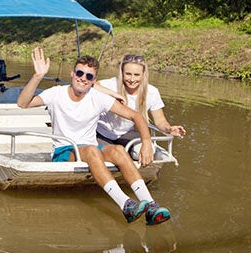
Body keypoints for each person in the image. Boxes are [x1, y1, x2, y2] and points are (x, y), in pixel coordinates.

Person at [17, 47, 171, 226]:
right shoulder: (56, 93)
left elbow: (135, 116)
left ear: (93, 81)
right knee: (91, 150)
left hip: (92, 151)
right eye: (80, 73)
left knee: (119, 150)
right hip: (64, 151)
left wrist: (146, 142)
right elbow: (22, 103)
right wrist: (38, 76)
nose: (83, 78)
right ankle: (125, 205)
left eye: (89, 76)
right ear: (72, 73)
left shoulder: (98, 97)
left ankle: (151, 205)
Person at [95, 54, 186, 150]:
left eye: (137, 75)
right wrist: (113, 94)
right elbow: (90, 84)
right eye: (128, 74)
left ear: (143, 74)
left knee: (147, 150)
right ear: (122, 73)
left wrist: (169, 129)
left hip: (126, 133)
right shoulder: (111, 84)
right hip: (101, 132)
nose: (132, 79)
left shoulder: (152, 92)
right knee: (109, 154)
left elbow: (160, 121)